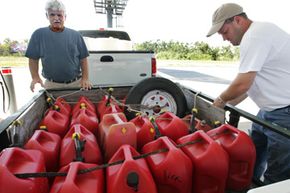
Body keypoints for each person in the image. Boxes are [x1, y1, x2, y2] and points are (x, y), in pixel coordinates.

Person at [207, 3, 290, 185]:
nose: (223, 38)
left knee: (277, 173)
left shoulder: (255, 36)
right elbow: (250, 84)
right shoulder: (257, 34)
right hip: (269, 111)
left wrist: (221, 100)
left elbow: (242, 82)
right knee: (252, 156)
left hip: (284, 113)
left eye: (224, 31)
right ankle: (249, 185)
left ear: (238, 20)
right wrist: (222, 107)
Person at [25, 0, 92, 91]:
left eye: (59, 15)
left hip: (76, 83)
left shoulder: (76, 35)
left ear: (65, 17)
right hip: (52, 84)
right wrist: (35, 77)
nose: (56, 18)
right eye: (52, 14)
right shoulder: (38, 34)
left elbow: (83, 59)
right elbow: (33, 58)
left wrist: (85, 78)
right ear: (47, 16)